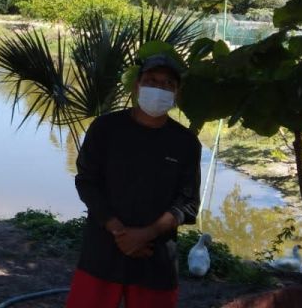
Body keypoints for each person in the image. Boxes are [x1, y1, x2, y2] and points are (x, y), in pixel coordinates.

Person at [66, 53, 201, 308]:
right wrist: (118, 230)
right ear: (137, 85)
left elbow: (188, 202)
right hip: (102, 249)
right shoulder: (105, 128)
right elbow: (87, 181)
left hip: (156, 255)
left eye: (168, 84)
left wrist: (145, 234)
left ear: (177, 93)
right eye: (151, 80)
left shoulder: (185, 142)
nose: (159, 88)